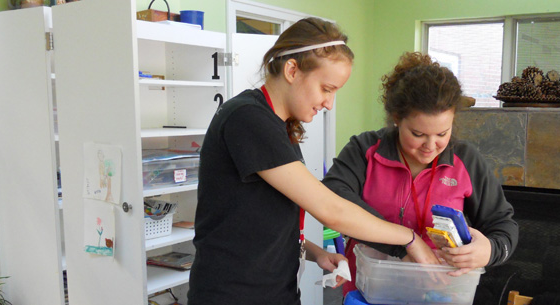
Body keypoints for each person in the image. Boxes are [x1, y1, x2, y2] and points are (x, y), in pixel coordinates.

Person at [187, 18, 438, 305]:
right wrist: (410, 238)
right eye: (326, 89)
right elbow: (330, 209)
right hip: (232, 294)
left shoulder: (279, 126)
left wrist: (317, 253)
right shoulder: (247, 119)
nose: (329, 103)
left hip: (274, 291)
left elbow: (262, 220)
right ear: (292, 70)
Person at [322, 52, 519, 297]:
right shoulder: (365, 150)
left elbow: (503, 225)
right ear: (396, 119)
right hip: (369, 290)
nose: (430, 145)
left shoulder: (466, 160)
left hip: (439, 294)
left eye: (442, 134)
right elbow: (331, 200)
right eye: (417, 134)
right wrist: (405, 245)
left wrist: (491, 249)